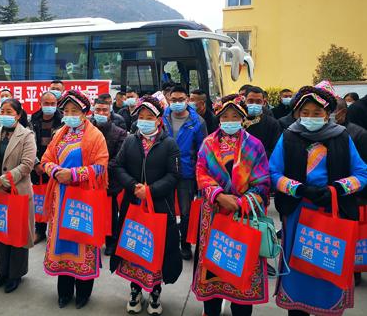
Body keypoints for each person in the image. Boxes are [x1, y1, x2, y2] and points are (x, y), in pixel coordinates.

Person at [270, 85, 367, 316]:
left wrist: (336, 188)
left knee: (327, 264)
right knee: (299, 266)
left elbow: (362, 174)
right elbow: (274, 173)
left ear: (328, 113)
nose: (310, 117)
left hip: (332, 211)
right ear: (297, 113)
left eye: (317, 113)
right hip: (298, 212)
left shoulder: (342, 137)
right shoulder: (288, 136)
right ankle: (297, 307)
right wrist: (299, 189)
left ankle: (327, 306)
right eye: (305, 112)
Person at [193, 94, 270, 316]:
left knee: (242, 262)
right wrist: (217, 194)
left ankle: (241, 309)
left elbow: (263, 181)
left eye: (234, 116)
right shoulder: (208, 143)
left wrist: (243, 201)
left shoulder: (254, 146)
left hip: (244, 214)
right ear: (218, 118)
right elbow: (201, 172)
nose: (229, 120)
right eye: (225, 116)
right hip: (214, 213)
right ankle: (211, 309)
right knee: (214, 262)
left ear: (243, 118)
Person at [111, 95, 182, 316]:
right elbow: (117, 166)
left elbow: (174, 175)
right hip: (132, 205)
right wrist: (133, 186)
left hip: (160, 207)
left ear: (159, 119)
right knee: (133, 247)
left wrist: (150, 190)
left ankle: (155, 292)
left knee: (156, 251)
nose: (144, 121)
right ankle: (135, 290)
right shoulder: (130, 141)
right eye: (140, 117)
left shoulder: (169, 144)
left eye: (149, 117)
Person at [41, 90, 109, 310]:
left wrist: (74, 174)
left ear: (84, 113)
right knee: (62, 243)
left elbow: (101, 166)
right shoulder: (60, 133)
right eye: (67, 111)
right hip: (60, 198)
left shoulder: (95, 136)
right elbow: (46, 159)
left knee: (82, 239)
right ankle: (64, 292)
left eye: (74, 111)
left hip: (83, 199)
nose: (69, 115)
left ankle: (83, 293)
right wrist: (55, 171)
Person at [0, 98, 36, 293]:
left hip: (17, 191)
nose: (5, 114)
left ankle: (15, 275)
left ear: (18, 115)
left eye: (9, 111)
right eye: (2, 110)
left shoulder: (27, 135)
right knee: (1, 232)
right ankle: (2, 272)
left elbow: (27, 165)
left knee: (17, 233)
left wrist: (2, 180)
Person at [163, 85, 206, 261]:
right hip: (164, 170)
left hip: (186, 172)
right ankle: (167, 242)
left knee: (186, 211)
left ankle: (185, 244)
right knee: (166, 209)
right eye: (174, 100)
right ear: (169, 99)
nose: (178, 103)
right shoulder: (162, 117)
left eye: (181, 100)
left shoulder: (197, 122)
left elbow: (203, 150)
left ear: (187, 100)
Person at [334, 97, 367, 286]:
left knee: (354, 239)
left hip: (352, 196)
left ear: (343, 112)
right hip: (328, 199)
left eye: (332, 111)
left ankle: (353, 273)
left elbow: (363, 169)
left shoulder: (357, 134)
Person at [91, 98, 127, 256]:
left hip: (109, 180)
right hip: (89, 178)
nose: (101, 113)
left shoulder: (119, 133)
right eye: (98, 110)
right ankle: (93, 237)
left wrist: (99, 169)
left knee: (111, 213)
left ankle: (111, 241)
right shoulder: (87, 129)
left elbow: (119, 158)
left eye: (104, 110)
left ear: (110, 112)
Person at [30, 91, 64, 244]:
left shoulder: (63, 119)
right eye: (46, 104)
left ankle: (56, 231)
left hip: (56, 166)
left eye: (53, 104)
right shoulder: (33, 119)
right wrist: (36, 163)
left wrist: (52, 165)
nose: (49, 107)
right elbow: (29, 143)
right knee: (40, 199)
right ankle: (40, 229)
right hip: (37, 165)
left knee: (57, 198)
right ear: (40, 103)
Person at [244, 86, 282, 158]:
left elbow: (275, 149)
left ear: (263, 102)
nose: (254, 104)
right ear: (245, 101)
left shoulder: (272, 123)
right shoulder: (238, 122)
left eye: (258, 101)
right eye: (250, 101)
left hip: (263, 164)